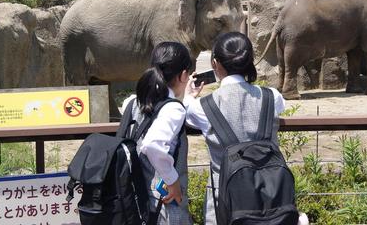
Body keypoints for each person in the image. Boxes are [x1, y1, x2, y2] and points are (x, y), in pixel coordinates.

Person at [183, 32, 286, 224]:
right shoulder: (272, 96)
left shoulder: (203, 107)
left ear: (215, 63)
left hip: (223, 200)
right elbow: (281, 107)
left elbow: (187, 111)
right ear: (249, 61)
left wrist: (189, 95)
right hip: (270, 200)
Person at [122, 41, 193, 225]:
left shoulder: (132, 102)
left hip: (135, 199)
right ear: (184, 75)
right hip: (163, 204)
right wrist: (172, 180)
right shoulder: (174, 110)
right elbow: (152, 144)